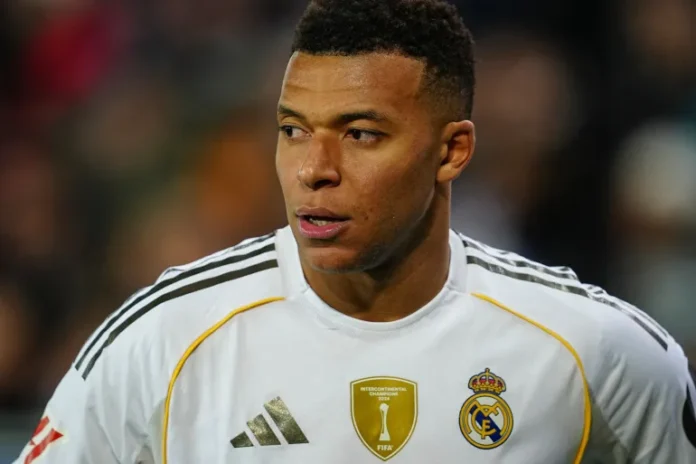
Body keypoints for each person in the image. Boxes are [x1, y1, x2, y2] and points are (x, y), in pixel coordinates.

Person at [14, 0, 696, 462]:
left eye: (361, 134)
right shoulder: (163, 340)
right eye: (292, 131)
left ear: (452, 151)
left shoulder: (598, 352)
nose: (314, 169)